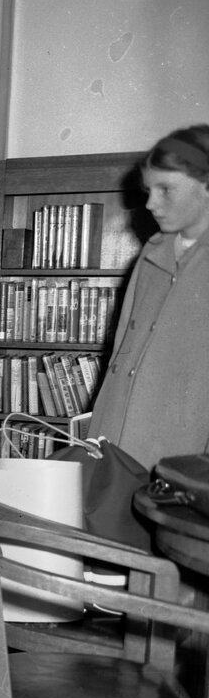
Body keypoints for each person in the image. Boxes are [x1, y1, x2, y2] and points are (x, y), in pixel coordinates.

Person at [89, 124, 209, 468]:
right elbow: (120, 357)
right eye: (148, 190)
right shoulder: (152, 252)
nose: (151, 203)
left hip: (185, 452)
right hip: (118, 442)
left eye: (165, 189)